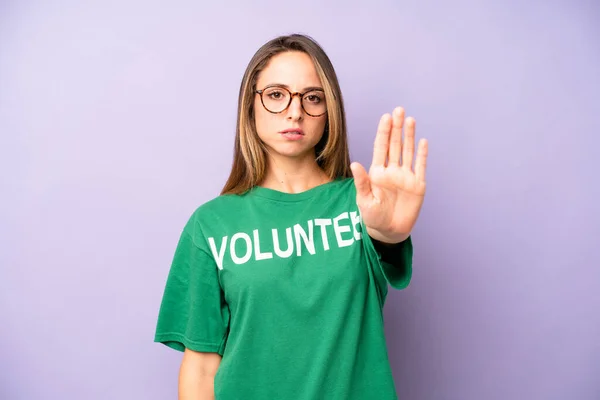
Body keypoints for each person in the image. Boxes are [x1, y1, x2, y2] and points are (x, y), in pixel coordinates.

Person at [154, 33, 428, 400]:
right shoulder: (210, 224)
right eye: (276, 95)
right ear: (250, 106)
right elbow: (201, 368)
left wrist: (389, 234)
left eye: (312, 97)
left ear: (329, 110)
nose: (295, 111)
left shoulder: (364, 203)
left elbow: (387, 241)